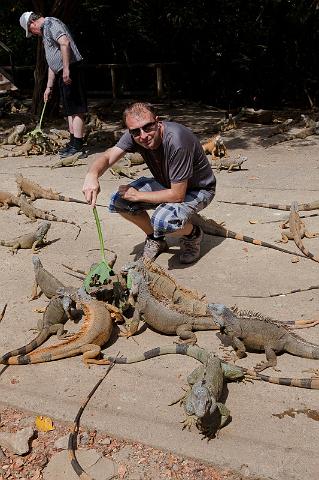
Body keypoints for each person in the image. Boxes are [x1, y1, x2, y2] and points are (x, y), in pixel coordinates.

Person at [82, 102, 216, 264]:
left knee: (162, 221)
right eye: (136, 131)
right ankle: (155, 238)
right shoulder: (135, 135)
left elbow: (177, 195)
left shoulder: (177, 141)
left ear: (158, 122)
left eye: (148, 127)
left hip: (197, 190)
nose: (143, 136)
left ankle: (193, 234)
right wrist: (92, 174)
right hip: (168, 184)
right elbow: (109, 156)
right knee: (119, 201)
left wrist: (138, 195)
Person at [19, 11, 87, 158]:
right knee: (70, 110)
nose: (34, 34)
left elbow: (65, 42)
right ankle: (73, 142)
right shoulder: (45, 31)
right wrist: (49, 86)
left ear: (33, 23)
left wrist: (67, 69)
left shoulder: (50, 23)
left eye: (31, 31)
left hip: (71, 69)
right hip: (62, 71)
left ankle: (78, 146)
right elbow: (52, 62)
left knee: (76, 109)